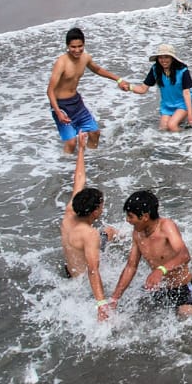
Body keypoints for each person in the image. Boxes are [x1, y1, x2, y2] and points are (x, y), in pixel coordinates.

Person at [108, 190, 192, 318]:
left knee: (187, 317)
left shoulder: (166, 226)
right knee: (134, 314)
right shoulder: (137, 233)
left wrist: (160, 270)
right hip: (161, 290)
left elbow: (185, 255)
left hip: (185, 288)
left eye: (130, 216)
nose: (127, 220)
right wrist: (114, 299)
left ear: (145, 216)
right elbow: (131, 267)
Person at [61, 135, 118, 318]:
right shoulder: (90, 234)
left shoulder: (70, 211)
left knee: (109, 231)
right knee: (109, 232)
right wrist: (101, 303)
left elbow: (79, 178)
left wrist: (81, 149)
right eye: (101, 206)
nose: (102, 208)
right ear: (94, 212)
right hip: (82, 283)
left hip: (70, 270)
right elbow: (93, 270)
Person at [47, 27, 125, 154]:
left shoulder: (85, 58)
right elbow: (50, 91)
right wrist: (58, 112)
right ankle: (66, 168)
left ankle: (89, 161)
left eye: (80, 46)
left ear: (84, 44)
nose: (77, 50)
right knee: (72, 142)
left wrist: (118, 80)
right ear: (67, 46)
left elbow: (98, 70)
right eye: (73, 47)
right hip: (61, 106)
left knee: (95, 133)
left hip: (76, 102)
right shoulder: (61, 63)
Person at [126, 43, 192, 133]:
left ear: (172, 58)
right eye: (160, 57)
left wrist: (190, 114)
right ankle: (172, 144)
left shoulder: (183, 70)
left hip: (183, 103)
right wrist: (129, 87)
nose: (163, 60)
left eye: (166, 57)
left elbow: (186, 93)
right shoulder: (155, 69)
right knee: (163, 129)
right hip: (167, 104)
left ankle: (187, 138)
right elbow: (143, 89)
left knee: (172, 125)